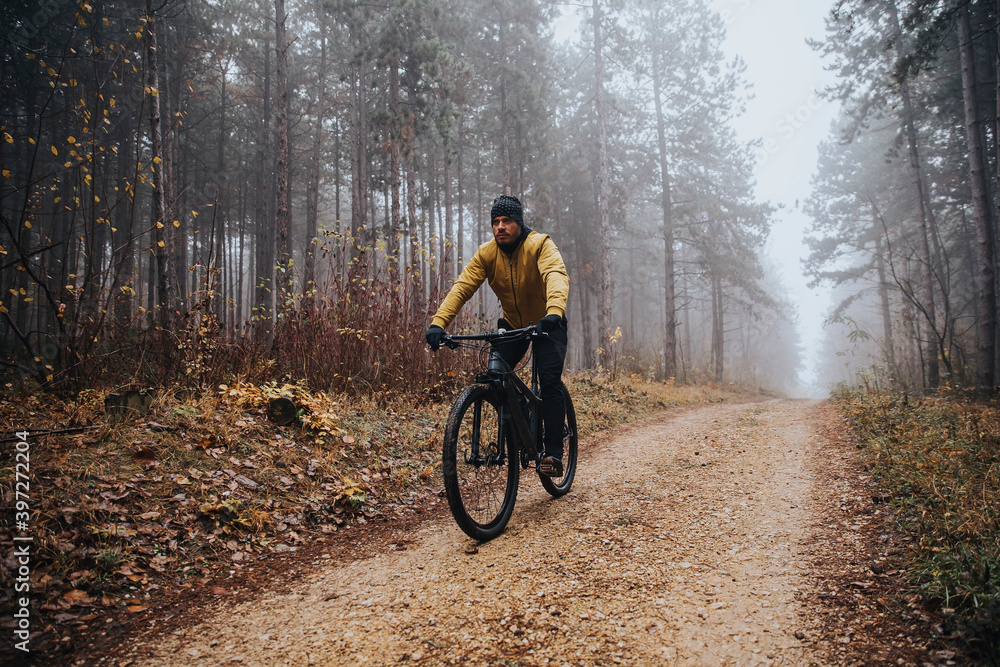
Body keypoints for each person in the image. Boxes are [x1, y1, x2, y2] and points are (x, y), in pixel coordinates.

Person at [426, 194, 570, 477]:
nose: (500, 227)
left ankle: (553, 452)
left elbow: (556, 274)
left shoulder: (540, 245)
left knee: (549, 382)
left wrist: (554, 311)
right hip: (514, 324)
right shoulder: (486, 253)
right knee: (496, 372)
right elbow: (462, 287)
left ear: (518, 222)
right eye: (495, 222)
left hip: (547, 324)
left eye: (506, 221)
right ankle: (525, 416)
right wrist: (438, 323)